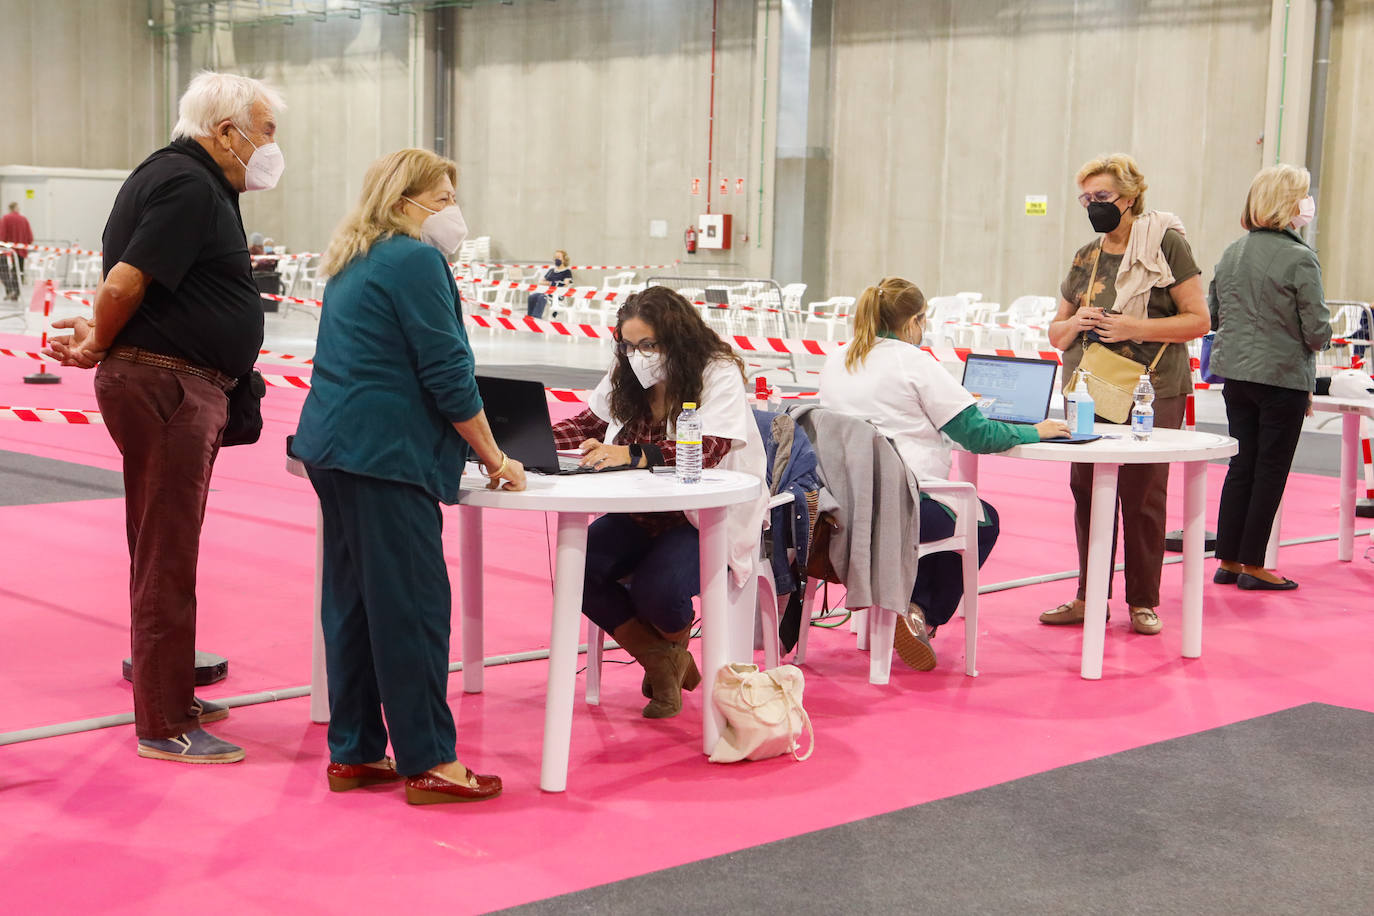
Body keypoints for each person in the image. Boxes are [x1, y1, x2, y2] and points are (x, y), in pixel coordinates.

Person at [42, 71, 287, 763]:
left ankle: (169, 685)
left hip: (173, 385)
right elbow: (125, 280)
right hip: (170, 389)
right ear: (227, 132)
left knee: (160, 548)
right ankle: (163, 718)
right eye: (266, 132)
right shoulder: (187, 183)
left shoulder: (182, 179)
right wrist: (95, 340)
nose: (273, 148)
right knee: (166, 555)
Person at [293, 148, 525, 805]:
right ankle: (429, 760)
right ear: (403, 204)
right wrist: (495, 456)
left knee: (355, 607)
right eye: (442, 198)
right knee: (413, 608)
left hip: (332, 450)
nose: (453, 210)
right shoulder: (417, 260)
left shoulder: (352, 258)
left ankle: (357, 752)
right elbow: (447, 370)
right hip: (385, 457)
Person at [820, 277, 1069, 670]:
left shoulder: (837, 359)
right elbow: (979, 434)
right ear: (915, 321)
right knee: (981, 520)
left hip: (838, 509)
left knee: (949, 512)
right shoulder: (915, 363)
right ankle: (920, 612)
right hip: (902, 507)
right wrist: (1035, 430)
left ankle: (906, 606)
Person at [553, 285, 766, 718]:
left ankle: (665, 659)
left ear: (676, 336)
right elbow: (586, 423)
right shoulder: (626, 374)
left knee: (660, 590)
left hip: (701, 516)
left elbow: (709, 448)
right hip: (640, 510)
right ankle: (665, 661)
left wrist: (629, 454)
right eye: (629, 345)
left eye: (648, 344)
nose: (637, 355)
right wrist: (512, 443)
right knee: (579, 569)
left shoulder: (717, 370)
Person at [1042, 154, 1210, 635]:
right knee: (1086, 492)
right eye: (1086, 199)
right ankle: (1088, 595)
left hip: (1151, 391)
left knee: (1143, 497)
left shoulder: (1167, 245)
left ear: (1130, 197)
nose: (1093, 206)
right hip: (1089, 391)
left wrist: (1131, 326)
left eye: (1103, 197)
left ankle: (1143, 601)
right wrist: (1078, 322)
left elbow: (1199, 320)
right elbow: (1057, 333)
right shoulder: (1085, 256)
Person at [1209, 165, 1331, 590]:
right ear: (1289, 203)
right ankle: (1255, 564)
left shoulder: (1232, 252)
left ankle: (1228, 558)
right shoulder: (1300, 258)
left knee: (1241, 466)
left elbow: (1215, 312)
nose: (1308, 203)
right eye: (1303, 194)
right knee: (1270, 469)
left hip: (1236, 376)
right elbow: (1316, 330)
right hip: (1281, 378)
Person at [0, 202, 34, 299]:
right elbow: (30, 238)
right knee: (18, 272)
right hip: (20, 251)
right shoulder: (24, 219)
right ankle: (16, 293)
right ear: (16, 208)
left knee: (3, 271)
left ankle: (9, 290)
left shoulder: (5, 219)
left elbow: (1, 235)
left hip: (6, 251)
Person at [526, 249, 572, 318]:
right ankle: (530, 317)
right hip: (547, 292)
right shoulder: (551, 270)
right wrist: (551, 283)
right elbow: (541, 282)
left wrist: (554, 284)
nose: (556, 259)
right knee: (532, 297)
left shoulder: (567, 272)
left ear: (564, 259)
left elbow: (565, 284)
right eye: (555, 257)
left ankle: (536, 318)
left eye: (558, 257)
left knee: (542, 297)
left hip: (557, 294)